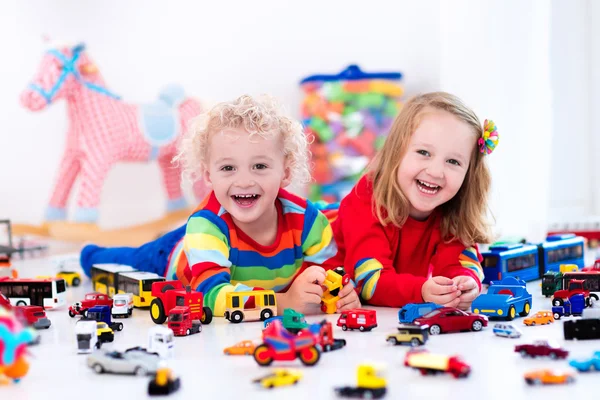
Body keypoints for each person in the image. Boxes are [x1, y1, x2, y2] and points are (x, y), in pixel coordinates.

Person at [80, 95, 360, 316]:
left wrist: (339, 291)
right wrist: (284, 301)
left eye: (260, 166)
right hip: (176, 254)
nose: (244, 181)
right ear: (208, 175)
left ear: (285, 172)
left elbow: (332, 273)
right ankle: (89, 254)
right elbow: (210, 297)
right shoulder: (206, 225)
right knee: (126, 261)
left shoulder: (308, 221)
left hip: (218, 244)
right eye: (228, 168)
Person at [329, 92, 498, 310]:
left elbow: (461, 261)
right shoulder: (366, 198)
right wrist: (421, 291)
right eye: (424, 152)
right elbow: (370, 280)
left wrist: (463, 284)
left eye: (453, 161)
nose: (436, 172)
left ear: (469, 174)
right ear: (396, 151)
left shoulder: (450, 210)